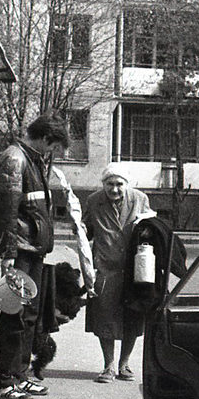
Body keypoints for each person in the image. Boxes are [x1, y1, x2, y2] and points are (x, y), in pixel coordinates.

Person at [0, 113, 71, 399]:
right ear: (45, 138)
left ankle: (21, 376)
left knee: (30, 316)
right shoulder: (15, 159)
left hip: (33, 248)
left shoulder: (31, 158)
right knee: (15, 315)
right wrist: (7, 252)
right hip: (20, 249)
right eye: (53, 146)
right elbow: (4, 209)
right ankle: (5, 380)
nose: (53, 152)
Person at [83, 163, 154, 383]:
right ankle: (108, 366)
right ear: (103, 184)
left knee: (132, 317)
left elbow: (150, 229)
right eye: (110, 184)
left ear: (127, 184)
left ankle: (124, 365)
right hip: (106, 269)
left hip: (134, 269)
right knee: (105, 317)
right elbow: (86, 230)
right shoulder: (94, 201)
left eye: (119, 184)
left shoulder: (140, 199)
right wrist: (81, 229)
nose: (114, 189)